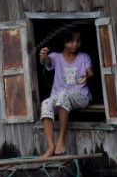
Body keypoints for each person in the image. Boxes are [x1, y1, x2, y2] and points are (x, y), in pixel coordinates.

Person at [38, 28, 94, 158]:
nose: (75, 44)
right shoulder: (55, 57)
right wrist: (43, 57)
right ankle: (51, 146)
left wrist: (87, 77)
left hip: (81, 96)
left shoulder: (84, 57)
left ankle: (61, 139)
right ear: (64, 42)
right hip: (60, 97)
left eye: (78, 41)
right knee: (46, 103)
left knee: (63, 95)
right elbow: (45, 62)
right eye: (71, 41)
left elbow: (91, 73)